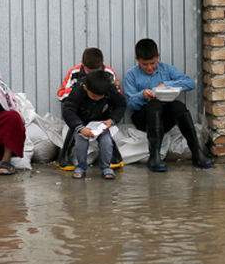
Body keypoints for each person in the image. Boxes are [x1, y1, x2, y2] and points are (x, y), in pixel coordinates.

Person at [123, 37, 212, 173]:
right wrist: (142, 95)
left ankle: (197, 153)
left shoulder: (166, 69)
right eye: (144, 64)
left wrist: (167, 84)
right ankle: (154, 157)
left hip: (164, 118)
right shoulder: (131, 75)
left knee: (178, 106)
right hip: (144, 119)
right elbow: (131, 104)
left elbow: (189, 83)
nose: (149, 67)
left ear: (158, 56)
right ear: (137, 59)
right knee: (154, 105)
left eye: (153, 63)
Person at [56, 46, 123, 169]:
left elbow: (118, 98)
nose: (92, 75)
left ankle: (114, 156)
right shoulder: (74, 73)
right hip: (81, 111)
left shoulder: (109, 73)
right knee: (74, 124)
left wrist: (111, 119)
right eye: (88, 71)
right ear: (82, 65)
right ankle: (65, 156)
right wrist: (78, 91)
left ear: (102, 65)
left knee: (105, 132)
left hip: (102, 111)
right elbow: (61, 95)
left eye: (96, 70)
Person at [61, 69, 126, 180]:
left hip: (102, 123)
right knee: (81, 144)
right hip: (82, 123)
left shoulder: (109, 89)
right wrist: (80, 128)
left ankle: (106, 167)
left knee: (107, 144)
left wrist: (112, 120)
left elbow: (121, 105)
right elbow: (68, 110)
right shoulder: (78, 90)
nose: (98, 99)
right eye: (94, 96)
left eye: (101, 96)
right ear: (86, 88)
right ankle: (81, 167)